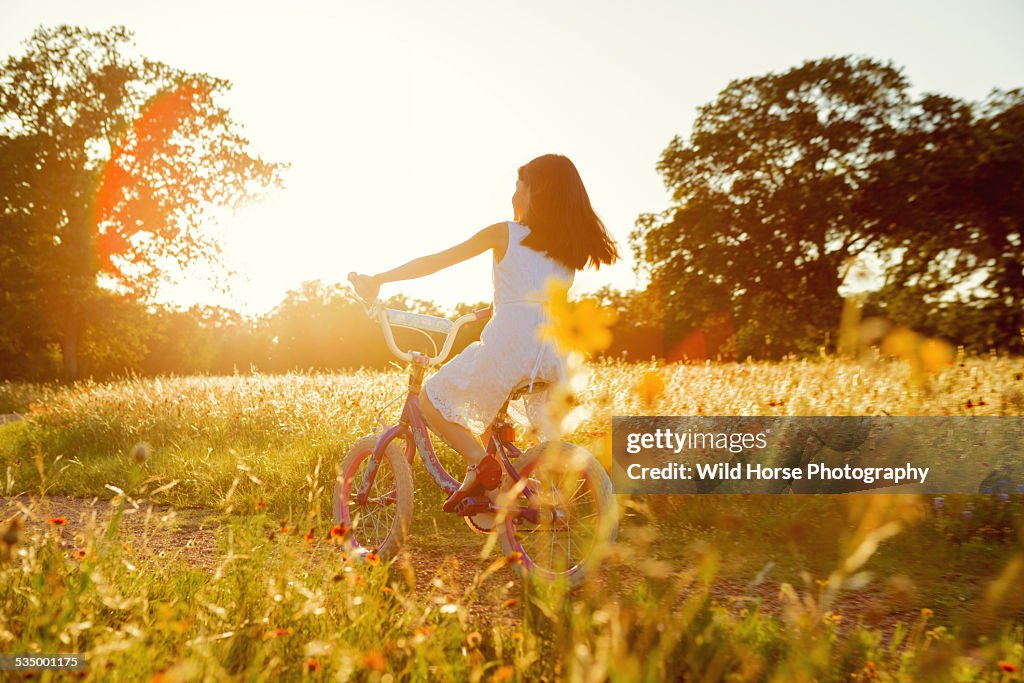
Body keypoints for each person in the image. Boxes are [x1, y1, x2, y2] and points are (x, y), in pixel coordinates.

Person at [349, 154, 618, 512]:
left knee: (430, 401)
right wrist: (490, 309)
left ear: (534, 191)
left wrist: (379, 279)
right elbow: (532, 297)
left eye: (517, 184)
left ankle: (481, 464)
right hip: (552, 355)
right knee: (489, 415)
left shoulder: (505, 232)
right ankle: (499, 492)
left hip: (510, 346)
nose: (513, 193)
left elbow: (437, 260)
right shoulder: (566, 251)